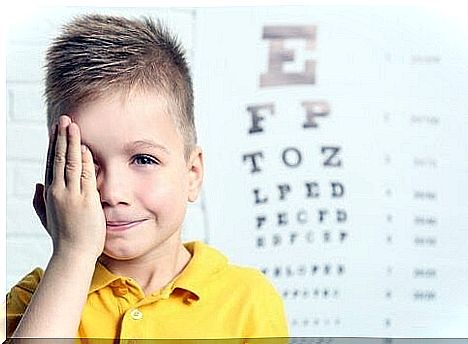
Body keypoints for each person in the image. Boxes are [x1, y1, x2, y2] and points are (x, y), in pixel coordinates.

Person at [5, 13, 288, 341]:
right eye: (87, 163)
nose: (112, 191)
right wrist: (73, 253)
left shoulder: (247, 301)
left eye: (143, 159)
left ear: (192, 173)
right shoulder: (33, 299)